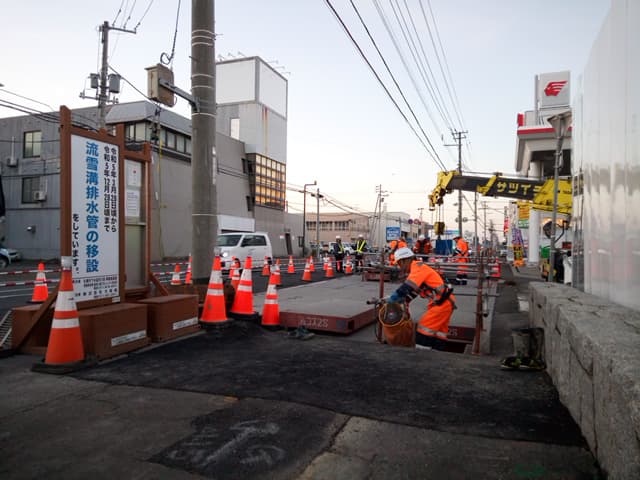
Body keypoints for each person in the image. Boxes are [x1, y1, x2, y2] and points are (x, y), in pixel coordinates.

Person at [387, 247, 456, 350]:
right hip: (444, 302)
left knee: (424, 330)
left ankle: (421, 356)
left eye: (400, 264)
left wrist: (392, 299)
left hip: (442, 304)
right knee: (439, 333)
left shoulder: (417, 267)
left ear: (405, 260)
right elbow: (414, 291)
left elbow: (407, 287)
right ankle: (438, 354)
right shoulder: (419, 268)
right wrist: (405, 300)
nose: (400, 268)